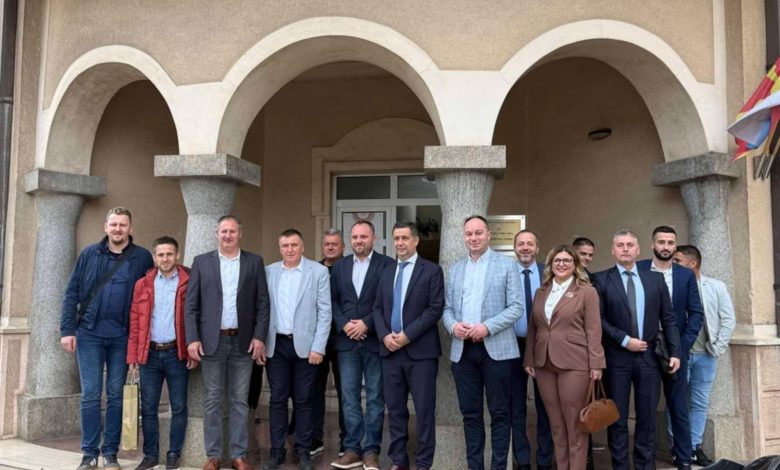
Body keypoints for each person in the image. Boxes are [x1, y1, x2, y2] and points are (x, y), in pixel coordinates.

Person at [60, 207, 154, 470]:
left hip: (122, 337)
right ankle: (89, 454)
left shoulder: (142, 257)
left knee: (115, 394)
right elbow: (71, 292)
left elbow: (148, 301)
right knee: (91, 394)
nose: (118, 229)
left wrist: (140, 341)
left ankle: (110, 453)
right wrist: (67, 330)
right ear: (106, 227)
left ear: (130, 228)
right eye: (114, 224)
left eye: (123, 225)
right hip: (89, 334)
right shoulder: (89, 254)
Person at [185, 215, 270, 470]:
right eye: (224, 231)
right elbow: (191, 306)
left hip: (243, 343)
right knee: (212, 399)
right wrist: (192, 339)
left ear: (240, 233)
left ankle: (238, 456)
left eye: (232, 231)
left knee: (239, 400)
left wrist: (259, 336)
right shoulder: (202, 262)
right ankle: (213, 455)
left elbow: (263, 304)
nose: (228, 235)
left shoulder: (254, 262)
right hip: (212, 342)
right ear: (217, 233)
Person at [594, 229, 681, 470]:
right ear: (613, 250)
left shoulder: (655, 279)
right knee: (618, 418)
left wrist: (675, 352)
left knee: (647, 418)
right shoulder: (601, 280)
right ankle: (620, 466)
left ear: (638, 249)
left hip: (649, 357)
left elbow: (668, 318)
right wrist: (624, 340)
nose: (625, 249)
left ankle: (645, 466)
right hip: (617, 357)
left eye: (630, 245)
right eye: (620, 245)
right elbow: (598, 319)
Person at [443, 215, 523, 470]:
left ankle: (499, 466)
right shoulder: (455, 269)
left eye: (479, 233)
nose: (474, 238)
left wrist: (487, 327)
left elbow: (516, 307)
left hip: (497, 351)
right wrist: (454, 326)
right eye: (469, 234)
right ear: (464, 237)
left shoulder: (507, 265)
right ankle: (474, 466)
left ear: (489, 235)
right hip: (464, 352)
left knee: (500, 414)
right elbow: (447, 308)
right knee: (470, 414)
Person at [524, 245, 605, 470]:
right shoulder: (541, 292)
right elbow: (533, 328)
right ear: (550, 265)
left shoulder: (587, 292)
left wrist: (596, 364)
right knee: (556, 424)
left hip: (575, 363)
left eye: (567, 260)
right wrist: (529, 359)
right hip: (543, 363)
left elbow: (593, 330)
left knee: (575, 424)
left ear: (575, 265)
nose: (561, 264)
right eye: (557, 260)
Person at [372, 222, 445, 470]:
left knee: (424, 410)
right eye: (396, 238)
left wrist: (407, 336)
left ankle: (423, 462)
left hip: (420, 353)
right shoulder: (386, 270)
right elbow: (377, 308)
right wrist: (385, 336)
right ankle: (399, 460)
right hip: (390, 351)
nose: (400, 243)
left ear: (416, 241)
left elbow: (435, 308)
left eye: (404, 238)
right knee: (394, 409)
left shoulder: (431, 271)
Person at [263, 229, 332, 470]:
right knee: (277, 399)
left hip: (306, 347)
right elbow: (262, 310)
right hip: (276, 346)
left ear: (302, 247)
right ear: (280, 248)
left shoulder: (318, 272)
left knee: (304, 400)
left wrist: (318, 347)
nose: (290, 249)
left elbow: (325, 312)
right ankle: (277, 451)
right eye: (285, 245)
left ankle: (303, 450)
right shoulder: (269, 272)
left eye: (294, 245)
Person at [636, 226, 704, 470]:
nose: (665, 246)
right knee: (646, 407)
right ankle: (646, 460)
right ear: (652, 244)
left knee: (679, 406)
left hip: (676, 349)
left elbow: (696, 313)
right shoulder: (639, 269)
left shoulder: (685, 275)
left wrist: (681, 347)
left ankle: (683, 459)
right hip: (645, 348)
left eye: (670, 242)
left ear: (675, 246)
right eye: (661, 242)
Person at [127, 236, 196, 470]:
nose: (165, 258)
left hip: (177, 354)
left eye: (169, 254)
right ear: (155, 257)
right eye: (160, 255)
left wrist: (192, 350)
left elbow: (196, 317)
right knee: (148, 407)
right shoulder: (143, 284)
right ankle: (150, 455)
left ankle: (174, 454)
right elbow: (135, 322)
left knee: (179, 406)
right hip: (150, 355)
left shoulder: (189, 281)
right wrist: (133, 356)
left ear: (177, 255)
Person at [329, 221, 392, 470]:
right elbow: (332, 301)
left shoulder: (387, 265)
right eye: (355, 237)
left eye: (363, 236)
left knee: (375, 397)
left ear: (374, 238)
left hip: (374, 340)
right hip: (346, 342)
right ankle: (352, 448)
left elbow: (387, 302)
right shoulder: (340, 266)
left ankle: (371, 451)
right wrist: (345, 324)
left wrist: (366, 323)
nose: (358, 241)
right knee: (349, 397)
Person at [673, 245, 735, 467]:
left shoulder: (715, 286)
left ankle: (693, 447)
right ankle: (677, 447)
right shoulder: (671, 285)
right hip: (679, 356)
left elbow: (728, 319)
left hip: (705, 355)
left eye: (678, 260)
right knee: (676, 402)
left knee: (700, 403)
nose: (673, 263)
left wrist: (717, 348)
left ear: (693, 263)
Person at [511, 230, 553, 470]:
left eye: (530, 244)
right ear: (515, 248)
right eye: (521, 244)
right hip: (512, 346)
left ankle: (545, 460)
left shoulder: (549, 274)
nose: (525, 248)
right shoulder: (506, 272)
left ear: (537, 248)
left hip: (543, 347)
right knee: (515, 405)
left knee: (546, 404)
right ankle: (523, 459)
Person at [309, 228, 347, 456]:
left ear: (343, 247)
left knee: (346, 392)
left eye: (335, 244)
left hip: (344, 339)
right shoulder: (313, 270)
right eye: (327, 244)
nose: (330, 247)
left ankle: (347, 441)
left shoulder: (350, 268)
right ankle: (315, 438)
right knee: (315, 390)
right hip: (318, 340)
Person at [572, 236, 602, 469]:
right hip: (565, 352)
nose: (587, 258)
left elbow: (596, 321)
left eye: (590, 255)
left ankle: (586, 457)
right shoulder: (556, 279)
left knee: (587, 407)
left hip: (587, 353)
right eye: (583, 254)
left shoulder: (594, 281)